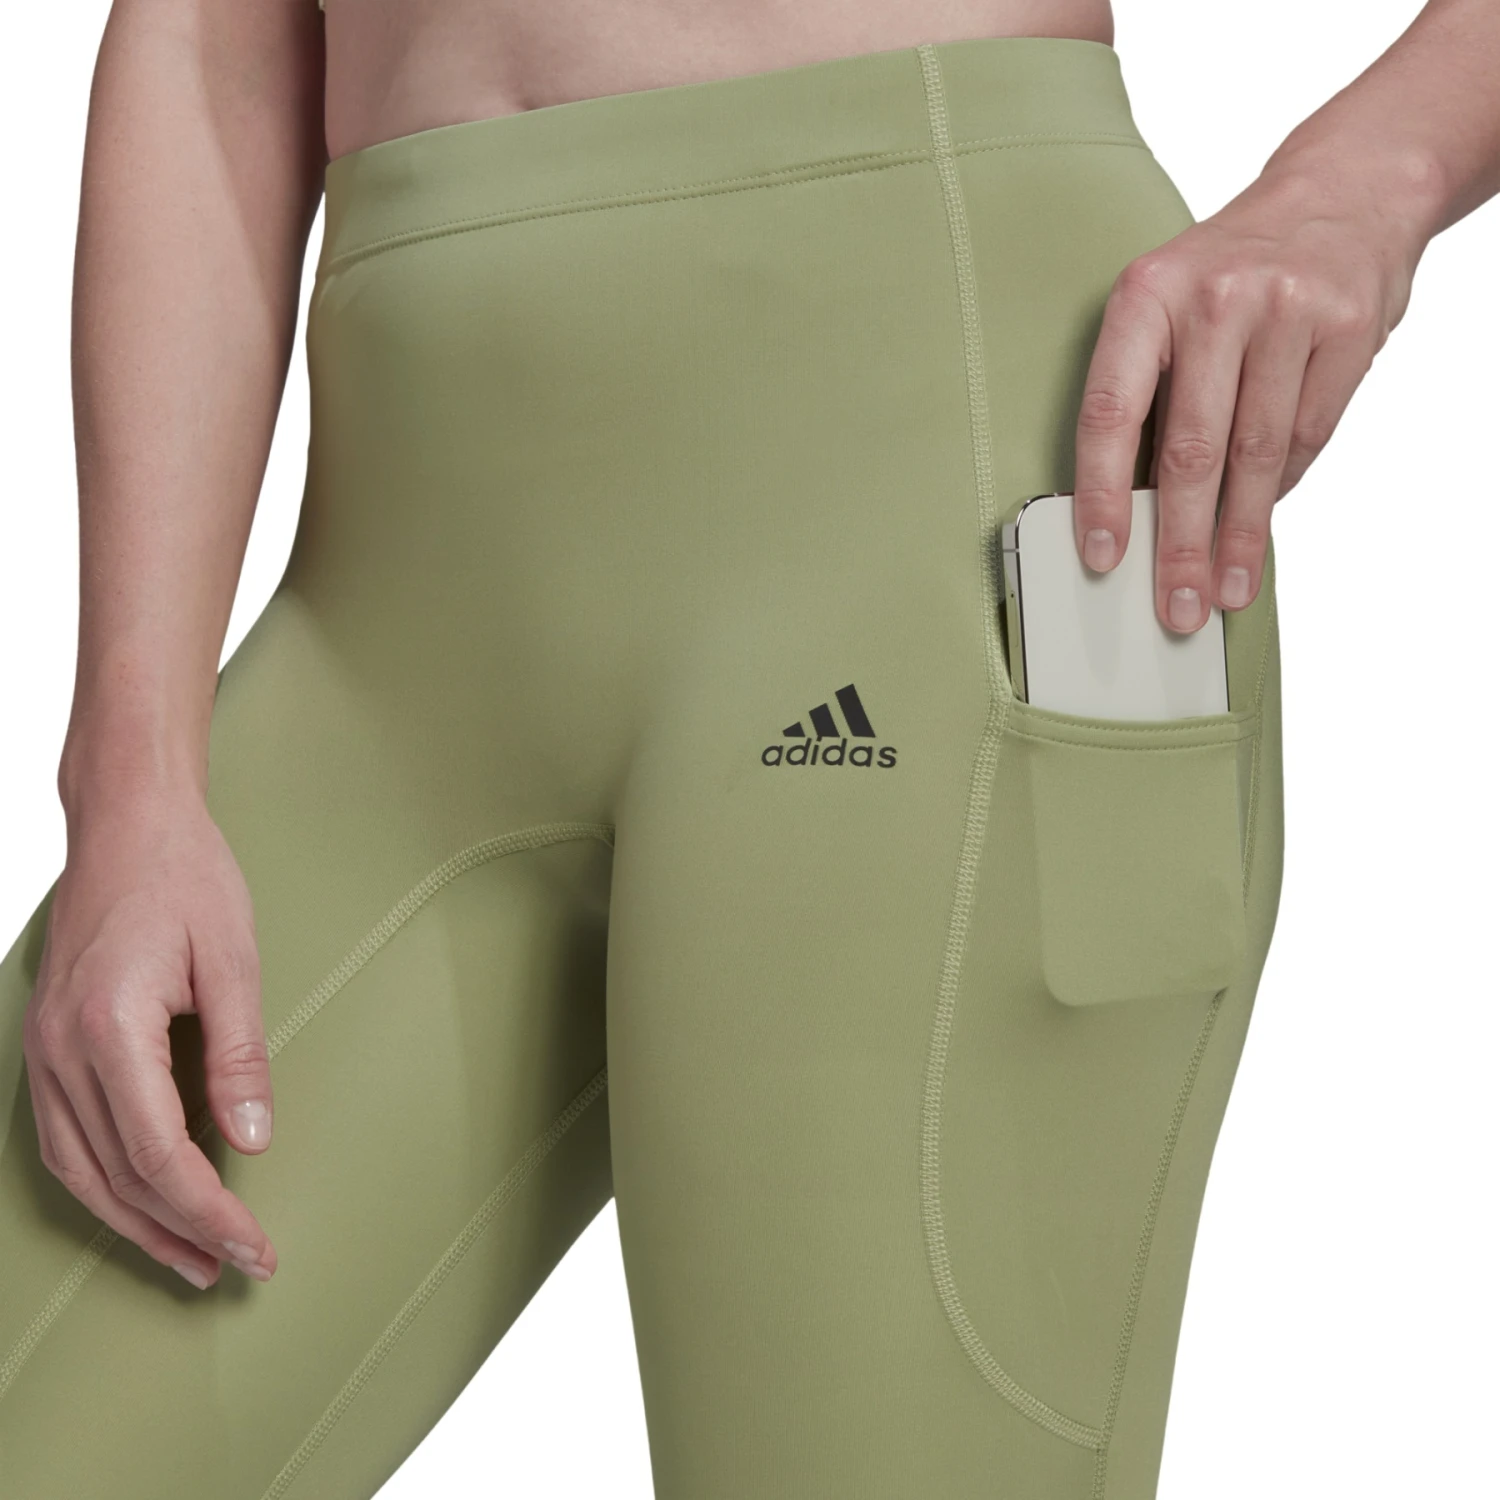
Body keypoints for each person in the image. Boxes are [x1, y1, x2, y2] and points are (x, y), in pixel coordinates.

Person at [0, 1, 1495, 1495]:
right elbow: (211, 42)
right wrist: (132, 780)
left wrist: (1369, 179)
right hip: (396, 615)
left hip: (935, 504)